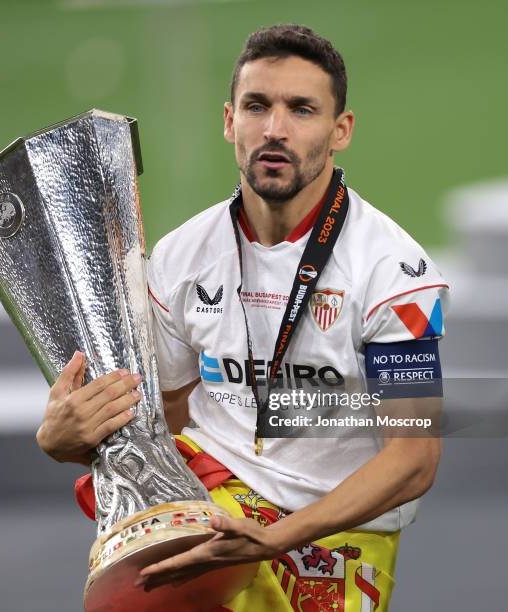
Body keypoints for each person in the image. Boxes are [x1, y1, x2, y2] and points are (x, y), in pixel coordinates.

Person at [37, 24, 449, 611]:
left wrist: (272, 540)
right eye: (258, 106)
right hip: (215, 516)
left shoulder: (396, 275)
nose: (274, 129)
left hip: (331, 546)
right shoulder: (180, 258)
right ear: (230, 121)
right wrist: (67, 439)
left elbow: (413, 459)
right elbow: (159, 425)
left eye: (301, 109)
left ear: (341, 131)